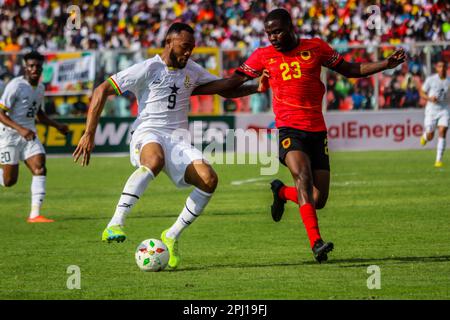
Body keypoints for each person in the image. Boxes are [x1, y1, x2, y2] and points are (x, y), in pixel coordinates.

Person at [73, 23, 263, 269]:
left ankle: (171, 235)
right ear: (169, 42)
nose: (189, 53)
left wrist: (256, 87)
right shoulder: (149, 67)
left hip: (178, 139)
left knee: (209, 180)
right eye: (185, 47)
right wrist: (89, 133)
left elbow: (225, 88)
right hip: (147, 131)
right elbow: (102, 90)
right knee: (154, 160)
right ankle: (115, 223)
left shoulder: (192, 70)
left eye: (192, 48)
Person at [231, 8, 406, 263]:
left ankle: (281, 193)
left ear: (291, 27)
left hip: (317, 129)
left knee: (317, 199)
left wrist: (386, 64)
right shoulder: (262, 56)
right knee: (302, 176)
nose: (273, 37)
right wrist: (203, 87)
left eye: (277, 31)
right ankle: (316, 243)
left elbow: (350, 69)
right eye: (269, 33)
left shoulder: (316, 47)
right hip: (289, 129)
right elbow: (232, 82)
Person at [0, 51, 69, 223]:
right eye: (31, 66)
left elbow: (38, 114)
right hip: (9, 136)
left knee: (40, 167)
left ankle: (35, 214)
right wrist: (20, 129)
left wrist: (57, 126)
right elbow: (1, 113)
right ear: (25, 67)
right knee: (9, 181)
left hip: (29, 136)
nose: (34, 69)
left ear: (42, 67)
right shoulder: (15, 86)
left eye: (38, 66)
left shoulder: (40, 87)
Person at [419, 60, 449, 168]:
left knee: (442, 130)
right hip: (431, 110)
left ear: (446, 68)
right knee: (431, 135)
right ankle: (425, 136)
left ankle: (438, 160)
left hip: (444, 109)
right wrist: (430, 98)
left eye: (444, 66)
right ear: (436, 68)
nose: (442, 69)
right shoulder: (431, 80)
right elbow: (422, 92)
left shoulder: (449, 81)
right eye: (440, 66)